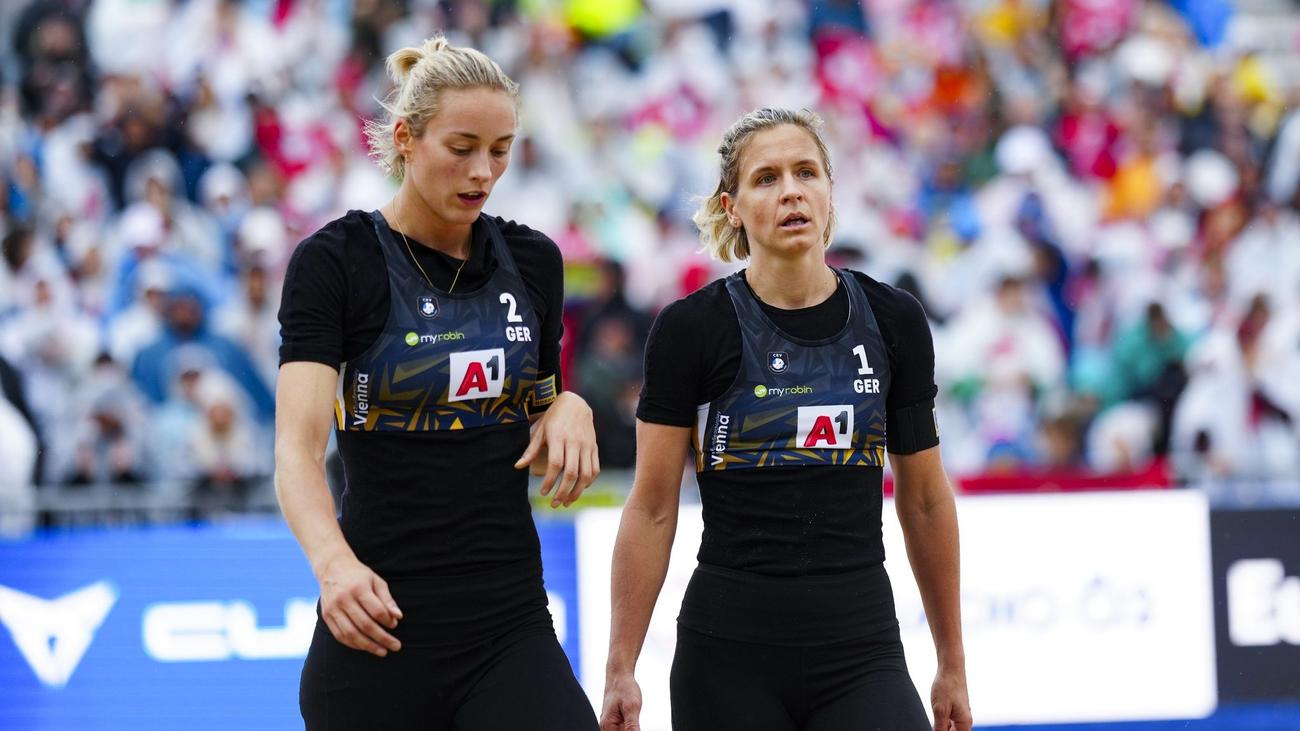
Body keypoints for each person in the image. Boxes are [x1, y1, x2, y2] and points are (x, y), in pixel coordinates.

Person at [600, 108, 972, 731]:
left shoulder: (894, 319)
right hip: (727, 655)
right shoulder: (691, 329)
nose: (791, 190)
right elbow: (652, 507)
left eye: (806, 173)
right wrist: (620, 667)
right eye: (766, 178)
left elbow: (927, 502)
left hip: (863, 649)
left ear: (830, 195)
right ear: (733, 207)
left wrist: (952, 662)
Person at [275, 36, 600, 730]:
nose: (484, 171)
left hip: (508, 628)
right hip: (378, 628)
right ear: (406, 138)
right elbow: (295, 451)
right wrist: (334, 566)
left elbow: (540, 411)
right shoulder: (335, 262)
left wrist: (571, 404)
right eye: (462, 146)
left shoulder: (534, 260)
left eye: (502, 148)